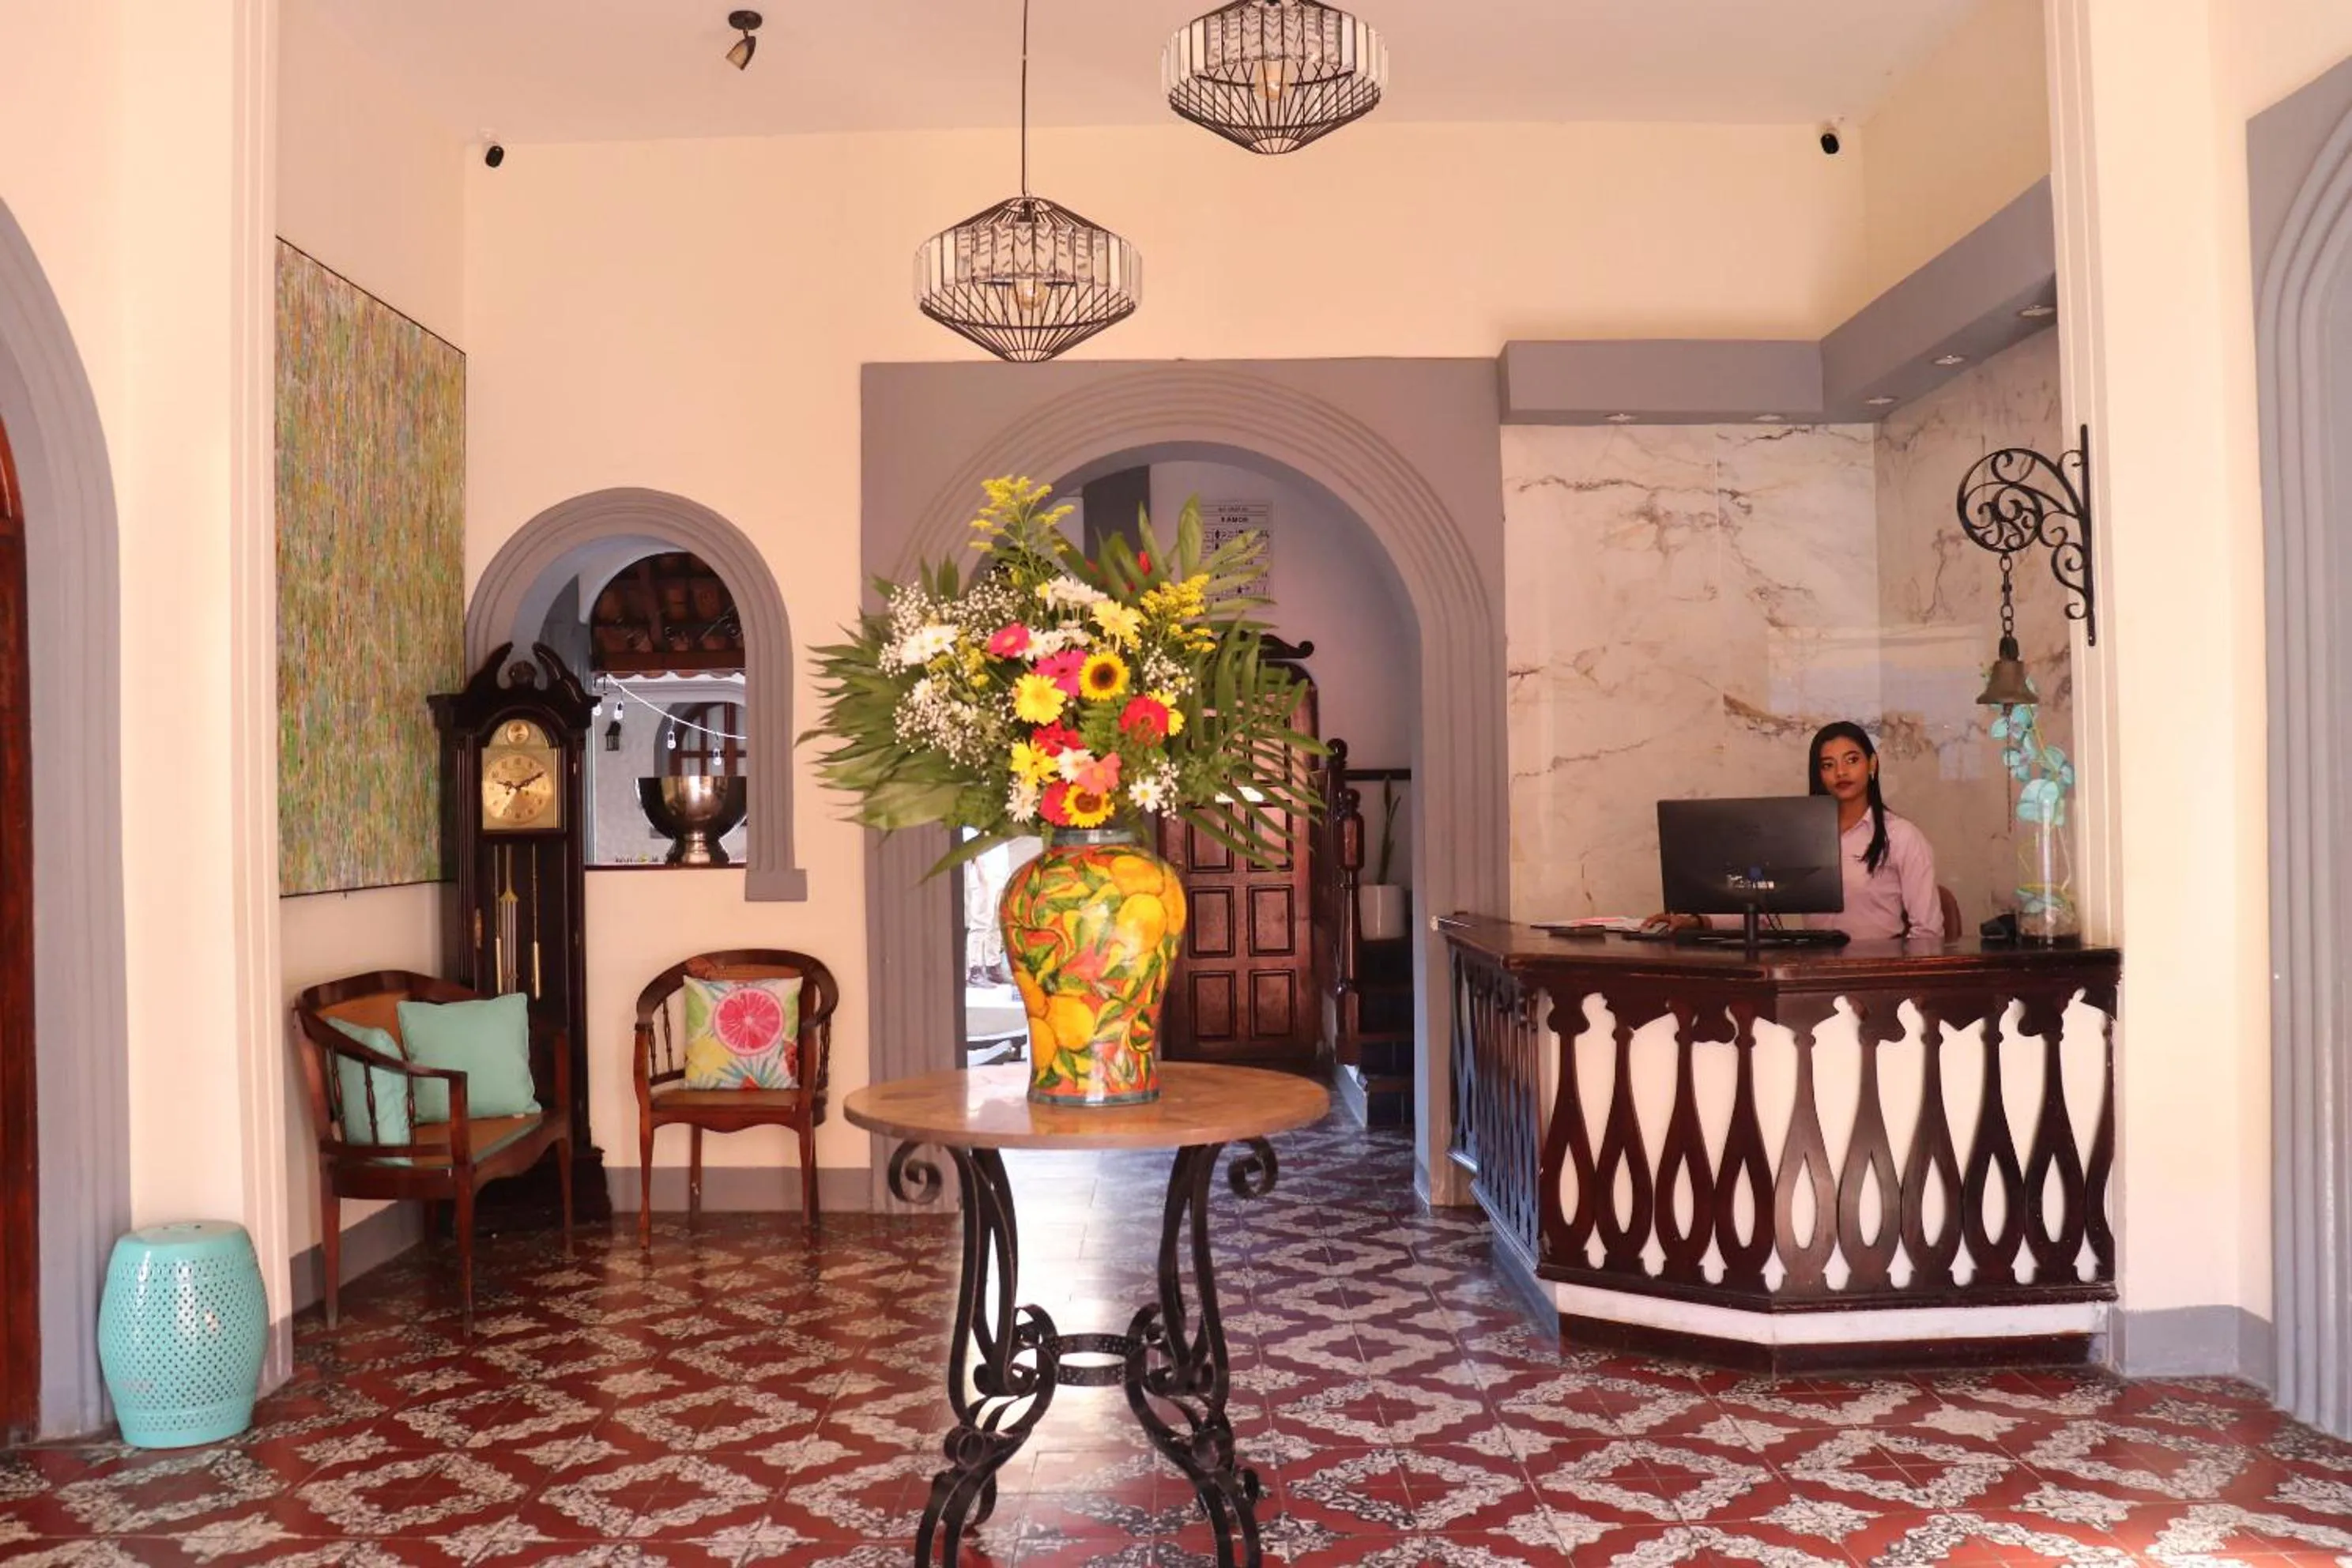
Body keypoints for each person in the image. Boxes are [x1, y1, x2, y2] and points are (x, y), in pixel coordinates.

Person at [1651, 721, 1944, 941]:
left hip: (1876, 975)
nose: (1841, 773)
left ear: (1872, 765)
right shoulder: (1799, 837)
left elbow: (1928, 932)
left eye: (1852, 760)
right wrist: (1697, 920)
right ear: (1819, 775)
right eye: (1829, 765)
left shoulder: (1903, 837)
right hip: (1813, 971)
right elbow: (1764, 910)